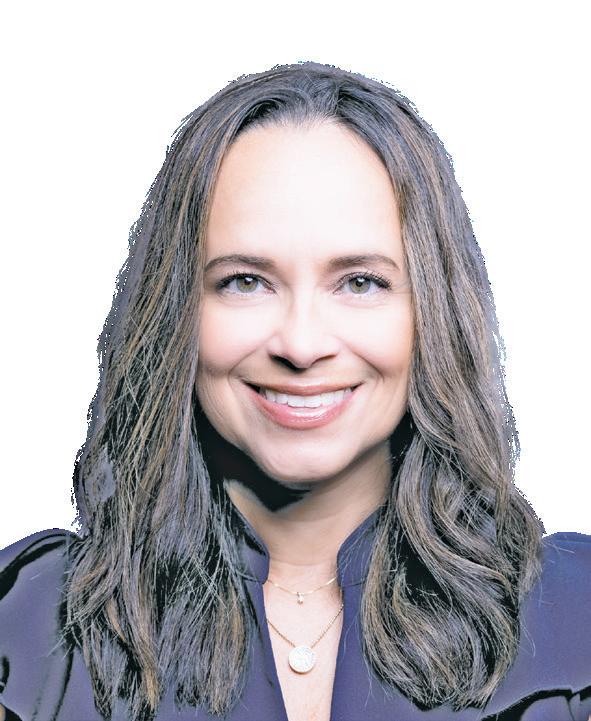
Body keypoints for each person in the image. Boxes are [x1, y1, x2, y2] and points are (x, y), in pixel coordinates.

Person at [0, 61, 589, 721]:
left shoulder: (578, 621)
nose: (302, 345)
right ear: (175, 313)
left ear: (432, 310)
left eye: (360, 282)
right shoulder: (24, 629)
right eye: (245, 281)